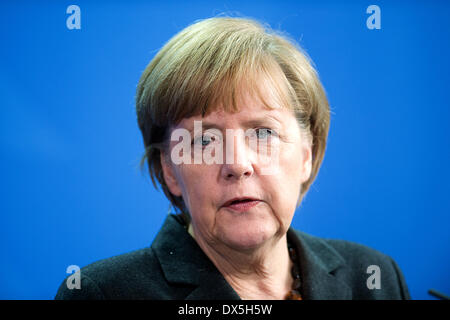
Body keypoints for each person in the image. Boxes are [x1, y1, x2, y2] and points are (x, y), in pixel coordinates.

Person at [55, 16, 410, 300]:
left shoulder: (373, 278)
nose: (237, 164)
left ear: (306, 153)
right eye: (205, 140)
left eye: (263, 133)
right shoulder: (102, 294)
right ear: (170, 171)